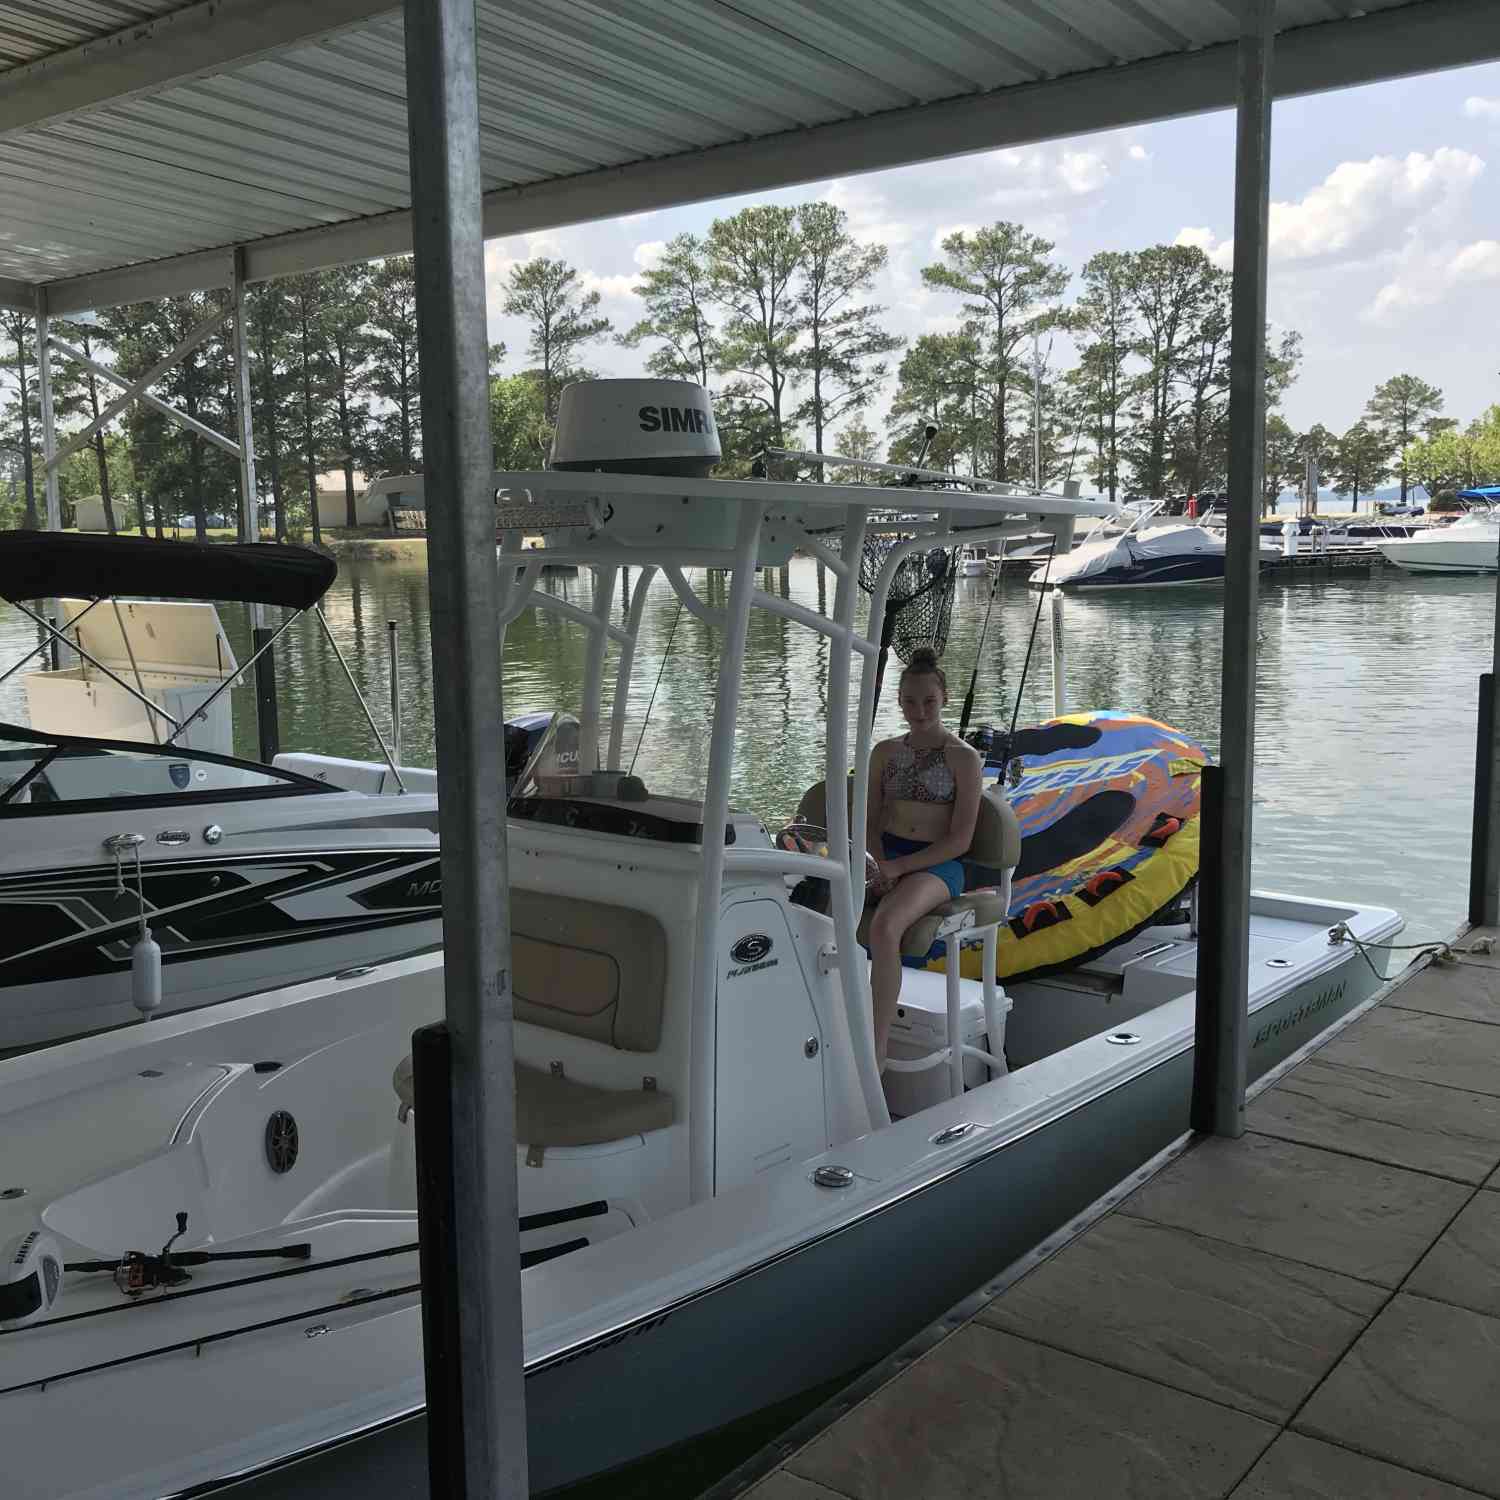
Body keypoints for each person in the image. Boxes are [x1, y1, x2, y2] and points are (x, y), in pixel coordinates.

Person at [865, 646, 983, 1070]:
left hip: (936, 864)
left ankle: (874, 1053)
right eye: (911, 701)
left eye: (928, 701)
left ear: (944, 699)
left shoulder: (964, 758)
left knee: (885, 926)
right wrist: (877, 862)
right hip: (884, 856)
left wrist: (898, 868)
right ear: (899, 701)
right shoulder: (885, 752)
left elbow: (961, 839)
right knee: (817, 910)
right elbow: (869, 820)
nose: (919, 710)